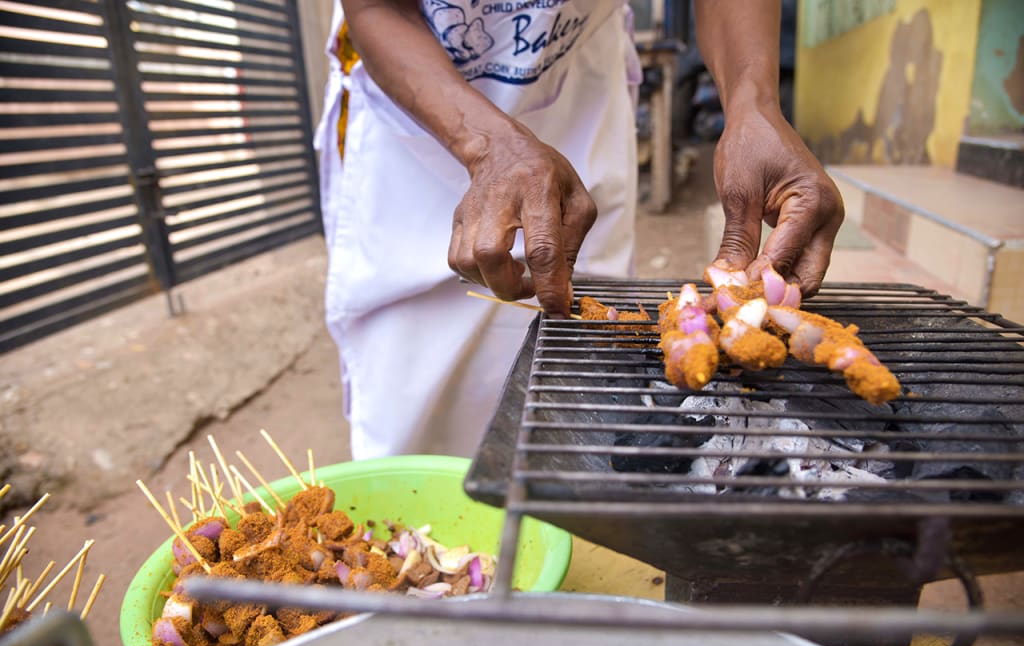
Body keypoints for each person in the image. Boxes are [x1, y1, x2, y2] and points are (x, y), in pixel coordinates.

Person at [316, 0, 844, 460]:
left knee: (587, 368)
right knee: (416, 387)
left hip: (575, 82)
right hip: (417, 101)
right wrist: (487, 145)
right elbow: (375, 6)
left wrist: (753, 104)